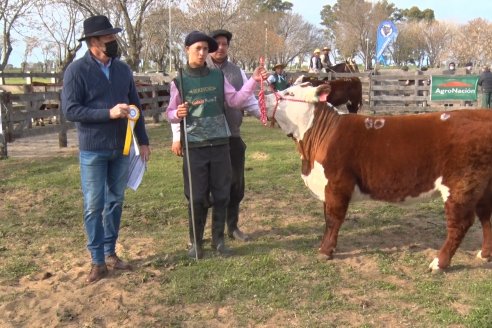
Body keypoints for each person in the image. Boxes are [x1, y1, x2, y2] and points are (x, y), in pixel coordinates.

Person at [62, 15, 151, 284]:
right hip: (93, 149)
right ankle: (97, 261)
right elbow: (70, 110)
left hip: (121, 148)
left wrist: (143, 140)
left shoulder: (123, 70)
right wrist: (108, 113)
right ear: (93, 42)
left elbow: (135, 106)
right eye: (108, 38)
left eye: (114, 37)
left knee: (116, 201)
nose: (114, 42)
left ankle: (110, 251)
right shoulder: (76, 71)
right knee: (93, 205)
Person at [166, 31, 266, 259]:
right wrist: (176, 113)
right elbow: (170, 112)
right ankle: (195, 243)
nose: (202, 53)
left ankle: (218, 241)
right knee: (197, 196)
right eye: (197, 49)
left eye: (204, 49)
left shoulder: (218, 77)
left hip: (220, 143)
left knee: (222, 194)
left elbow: (236, 101)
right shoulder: (179, 80)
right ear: (187, 50)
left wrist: (253, 81)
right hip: (195, 146)